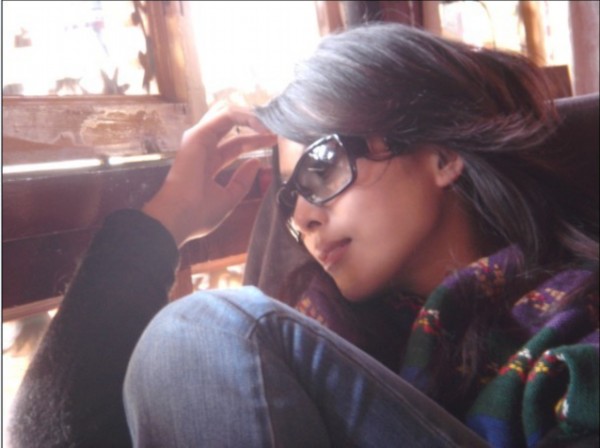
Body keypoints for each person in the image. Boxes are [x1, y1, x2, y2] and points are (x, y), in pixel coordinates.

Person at [10, 23, 598, 448]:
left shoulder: (574, 337)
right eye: (288, 197)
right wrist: (166, 220)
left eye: (321, 166)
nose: (303, 218)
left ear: (441, 154)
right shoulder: (323, 344)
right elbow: (51, 438)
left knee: (201, 327)